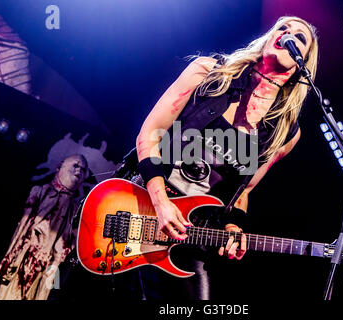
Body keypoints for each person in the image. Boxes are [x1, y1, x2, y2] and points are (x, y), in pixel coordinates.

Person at [134, 16, 318, 299]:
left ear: (301, 64)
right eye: (282, 27)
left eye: (299, 37)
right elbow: (149, 135)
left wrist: (234, 226)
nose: (287, 33)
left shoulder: (285, 133)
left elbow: (244, 191)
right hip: (143, 208)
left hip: (191, 236)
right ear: (269, 37)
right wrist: (161, 203)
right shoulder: (207, 72)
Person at [0, 154, 88, 300]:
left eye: (83, 170)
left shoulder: (77, 210)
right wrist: (11, 261)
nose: (79, 171)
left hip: (49, 270)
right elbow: (20, 231)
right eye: (75, 165)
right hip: (22, 260)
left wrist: (55, 288)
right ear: (60, 166)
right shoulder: (39, 191)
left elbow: (68, 255)